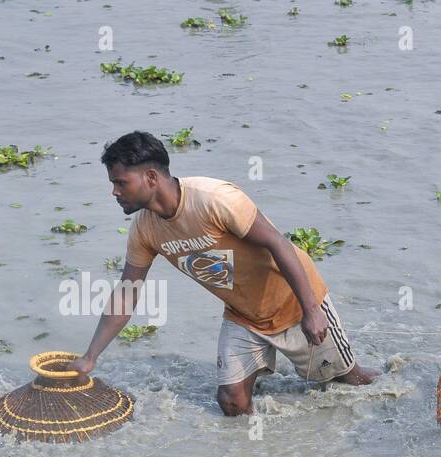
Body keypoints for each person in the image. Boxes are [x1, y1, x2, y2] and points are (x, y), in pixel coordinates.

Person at [67, 131, 376, 415]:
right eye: (113, 184)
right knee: (231, 402)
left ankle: (399, 389)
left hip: (293, 302)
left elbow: (278, 244)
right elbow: (126, 294)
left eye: (121, 183)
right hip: (243, 314)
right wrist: (90, 357)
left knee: (349, 384)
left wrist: (311, 310)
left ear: (150, 177)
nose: (114, 192)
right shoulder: (144, 229)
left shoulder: (213, 199)